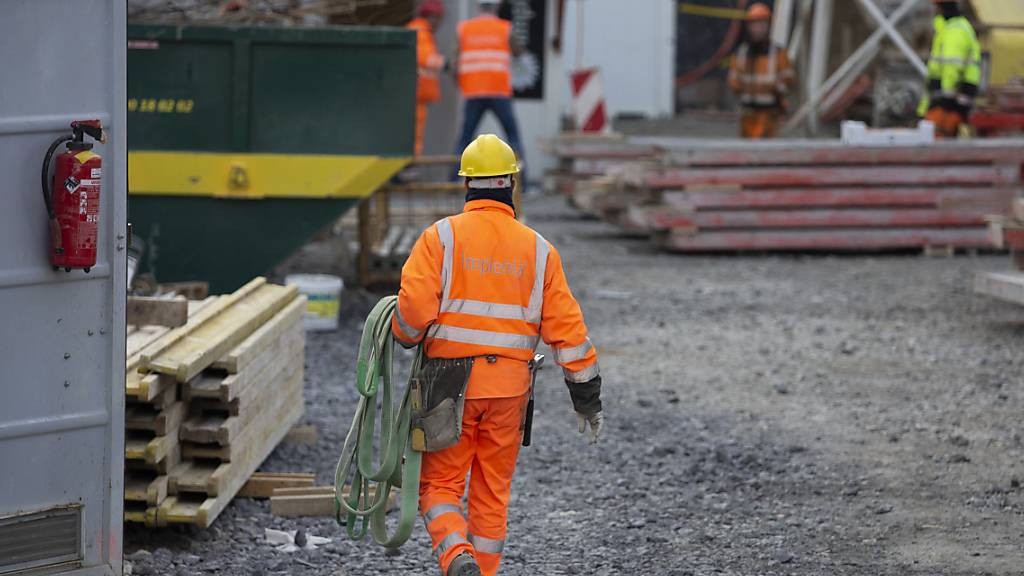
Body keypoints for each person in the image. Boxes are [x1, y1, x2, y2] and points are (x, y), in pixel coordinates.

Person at [393, 134, 603, 576]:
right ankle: (482, 571)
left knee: (439, 485)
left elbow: (412, 310)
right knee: (491, 493)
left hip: (447, 387)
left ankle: (456, 557)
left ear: (466, 185)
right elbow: (568, 332)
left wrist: (404, 336)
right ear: (511, 183)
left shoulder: (440, 238)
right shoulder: (539, 250)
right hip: (509, 391)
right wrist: (586, 399)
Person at [453, 0, 526, 184]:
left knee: (464, 139)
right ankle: (522, 184)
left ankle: (453, 181)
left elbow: (455, 61)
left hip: (474, 92)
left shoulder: (465, 29)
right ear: (497, 6)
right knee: (513, 138)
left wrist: (461, 84)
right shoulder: (504, 28)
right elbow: (519, 51)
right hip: (499, 91)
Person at [727, 2, 795, 139]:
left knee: (766, 151)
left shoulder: (778, 54)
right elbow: (734, 82)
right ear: (748, 26)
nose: (758, 28)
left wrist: (775, 91)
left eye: (762, 24)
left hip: (769, 114)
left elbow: (788, 81)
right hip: (747, 114)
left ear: (769, 26)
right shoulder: (742, 53)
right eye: (754, 24)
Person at [917, 0, 981, 138]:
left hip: (946, 107)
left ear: (940, 7)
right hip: (943, 103)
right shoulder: (948, 28)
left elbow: (951, 69)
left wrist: (945, 104)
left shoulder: (955, 31)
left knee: (936, 148)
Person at [407, 0, 447, 155]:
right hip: (416, 95)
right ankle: (408, 169)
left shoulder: (420, 30)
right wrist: (447, 64)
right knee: (413, 135)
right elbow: (426, 58)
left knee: (414, 134)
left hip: (418, 95)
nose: (439, 23)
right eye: (439, 18)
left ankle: (408, 169)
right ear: (432, 16)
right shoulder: (420, 31)